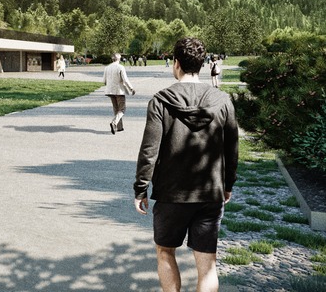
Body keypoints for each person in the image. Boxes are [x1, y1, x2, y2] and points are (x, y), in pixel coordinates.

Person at [134, 37, 239, 292]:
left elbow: (150, 150)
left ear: (176, 63)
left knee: (165, 253)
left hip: (171, 194)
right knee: (208, 264)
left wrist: (140, 189)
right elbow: (232, 148)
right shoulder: (222, 100)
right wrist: (227, 184)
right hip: (209, 192)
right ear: (202, 64)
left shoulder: (161, 101)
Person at [102, 52, 136, 134]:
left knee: (116, 108)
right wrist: (131, 88)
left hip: (110, 91)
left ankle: (119, 127)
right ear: (119, 59)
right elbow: (125, 79)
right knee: (122, 109)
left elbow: (104, 81)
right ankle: (114, 122)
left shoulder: (107, 68)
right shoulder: (120, 67)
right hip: (119, 90)